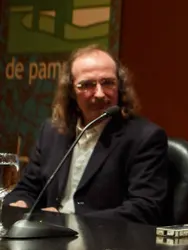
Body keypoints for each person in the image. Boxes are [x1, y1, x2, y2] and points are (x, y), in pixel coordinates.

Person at [4, 45, 169, 225]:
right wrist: (19, 204)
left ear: (120, 87)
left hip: (105, 244)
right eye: (87, 85)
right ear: (71, 92)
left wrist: (68, 221)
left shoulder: (145, 137)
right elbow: (27, 189)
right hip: (49, 241)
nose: (99, 94)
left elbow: (144, 209)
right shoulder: (52, 132)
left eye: (108, 83)